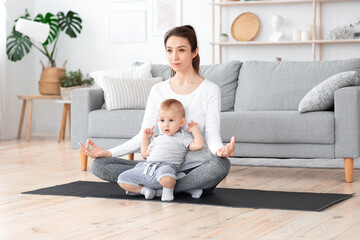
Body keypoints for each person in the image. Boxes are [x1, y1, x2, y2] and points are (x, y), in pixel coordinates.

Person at [79, 25, 236, 195]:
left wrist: (220, 150)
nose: (174, 57)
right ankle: (175, 187)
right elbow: (144, 134)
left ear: (194, 52)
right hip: (155, 167)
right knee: (100, 165)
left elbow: (212, 135)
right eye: (169, 50)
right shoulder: (158, 90)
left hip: (193, 169)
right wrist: (109, 152)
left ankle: (156, 187)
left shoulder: (210, 90)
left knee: (221, 165)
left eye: (181, 50)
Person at [117, 99, 204, 201]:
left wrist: (195, 131)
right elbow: (145, 155)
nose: (166, 124)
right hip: (146, 168)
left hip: (166, 168)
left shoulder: (182, 137)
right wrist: (146, 139)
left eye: (171, 120)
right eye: (162, 120)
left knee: (167, 178)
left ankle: (167, 194)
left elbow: (198, 145)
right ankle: (146, 191)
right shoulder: (157, 138)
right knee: (122, 179)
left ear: (181, 122)